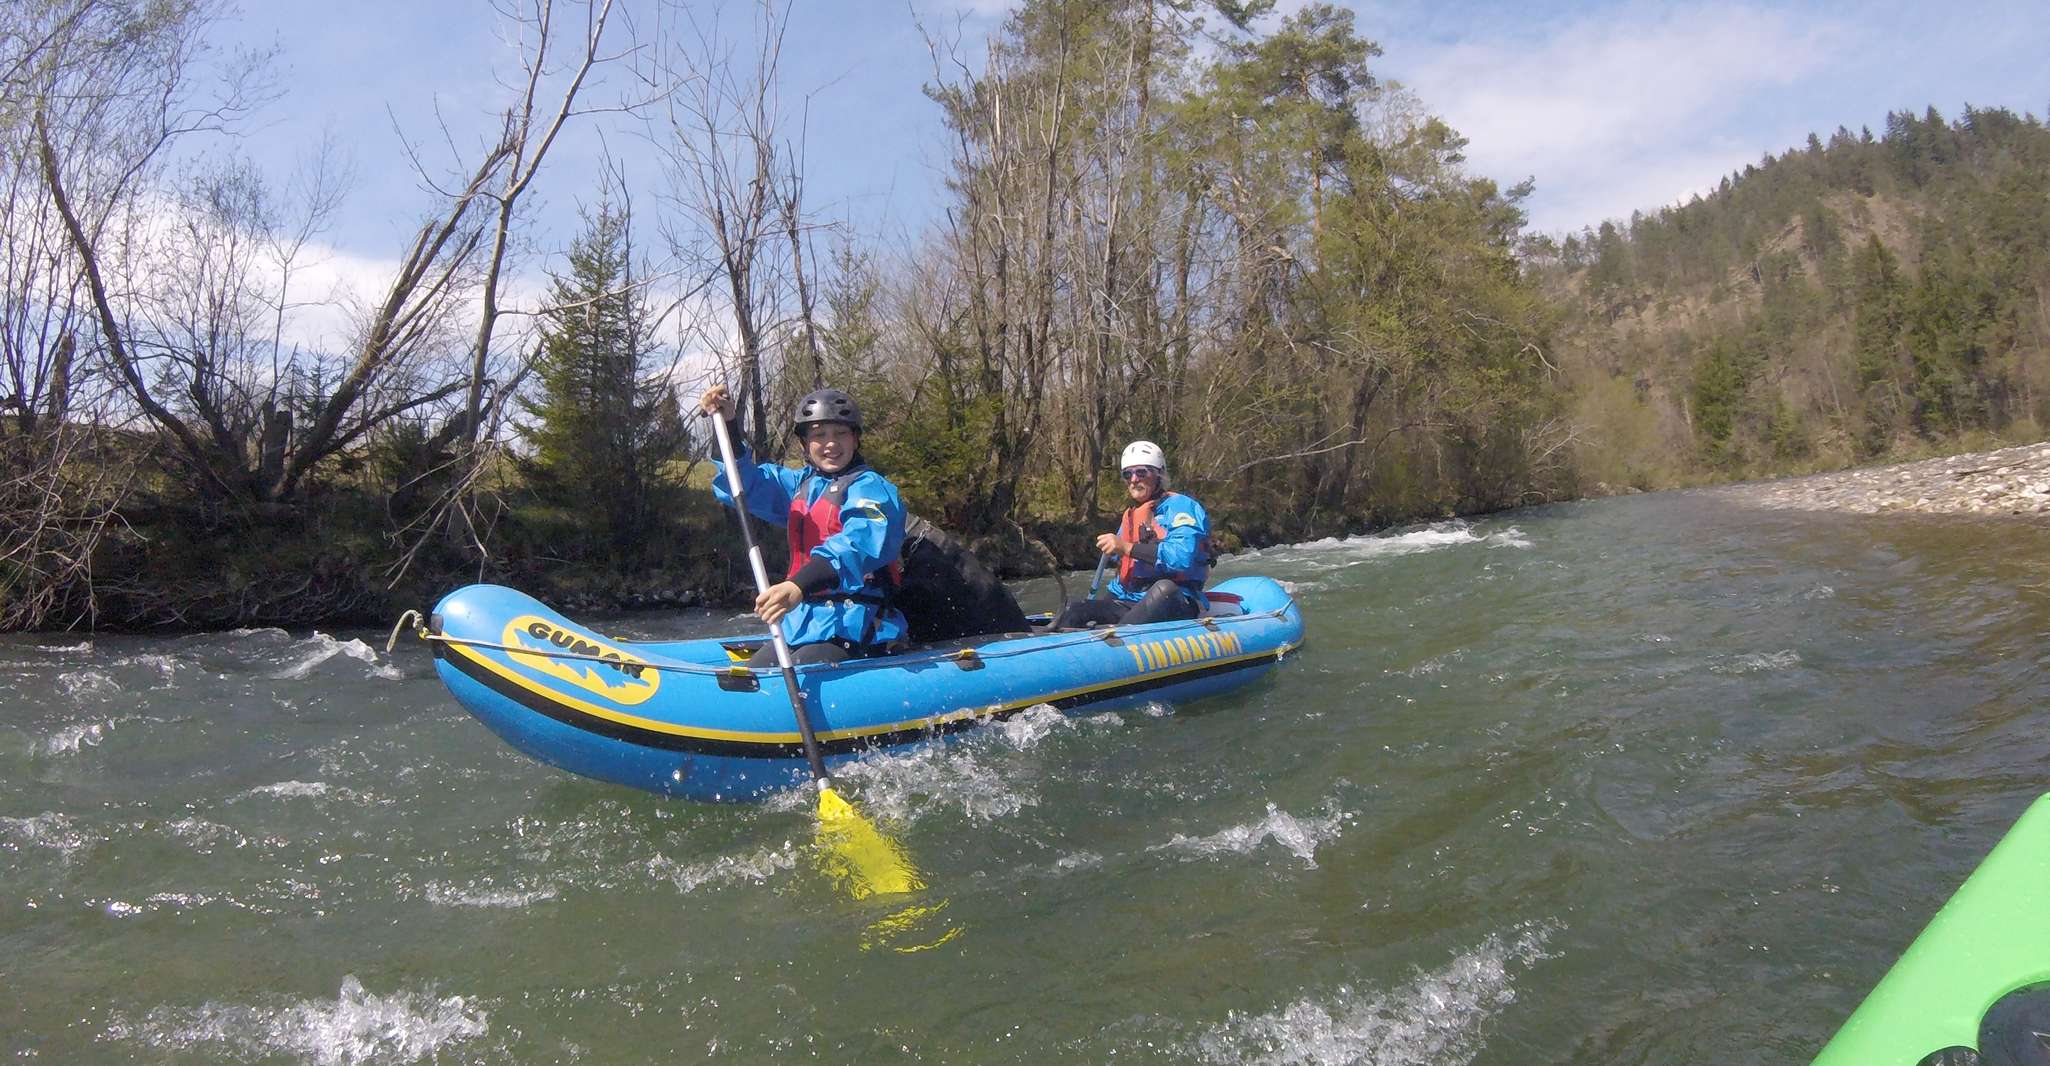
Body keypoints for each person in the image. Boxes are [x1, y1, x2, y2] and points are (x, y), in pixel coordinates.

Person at [699, 384, 908, 665]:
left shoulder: (872, 489)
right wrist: (727, 425)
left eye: (841, 433)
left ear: (856, 439)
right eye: (819, 435)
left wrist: (798, 586)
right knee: (755, 672)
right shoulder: (802, 485)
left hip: (859, 625)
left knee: (801, 669)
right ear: (805, 444)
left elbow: (859, 544)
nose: (831, 443)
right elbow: (740, 484)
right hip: (802, 624)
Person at [1052, 440, 1212, 630]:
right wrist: (1099, 606)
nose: (1134, 479)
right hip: (1130, 600)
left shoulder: (1181, 506)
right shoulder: (1131, 516)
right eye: (1128, 474)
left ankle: (1120, 641)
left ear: (1158, 473)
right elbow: (1124, 570)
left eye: (1141, 472)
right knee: (1075, 609)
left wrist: (1126, 547)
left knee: (1164, 590)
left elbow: (1181, 558)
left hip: (1175, 601)